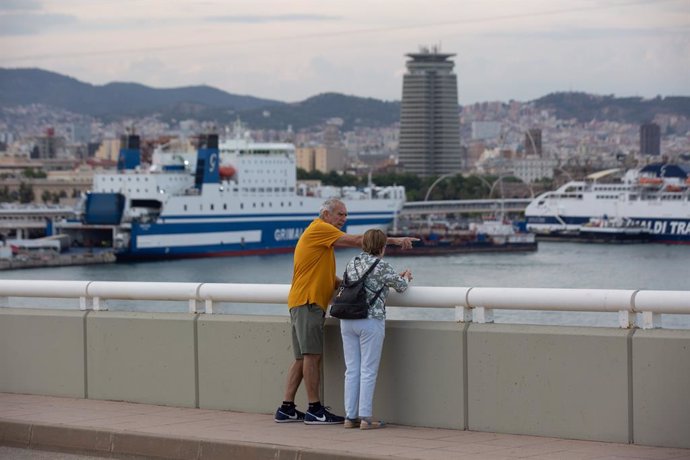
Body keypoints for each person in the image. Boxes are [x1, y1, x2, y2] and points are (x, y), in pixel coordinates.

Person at [274, 198, 416, 425]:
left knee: (302, 357)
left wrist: (359, 285)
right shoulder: (320, 229)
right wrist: (395, 240)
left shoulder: (322, 241)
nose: (344, 219)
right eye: (340, 214)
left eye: (346, 215)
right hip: (309, 302)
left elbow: (333, 280)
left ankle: (287, 408)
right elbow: (362, 240)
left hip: (301, 301)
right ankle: (314, 409)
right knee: (312, 356)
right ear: (326, 214)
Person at [340, 229, 412, 430]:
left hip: (347, 319)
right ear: (382, 246)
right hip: (371, 320)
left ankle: (349, 417)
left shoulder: (352, 262)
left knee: (352, 369)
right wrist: (405, 276)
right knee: (368, 370)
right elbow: (401, 287)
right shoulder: (381, 265)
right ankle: (365, 418)